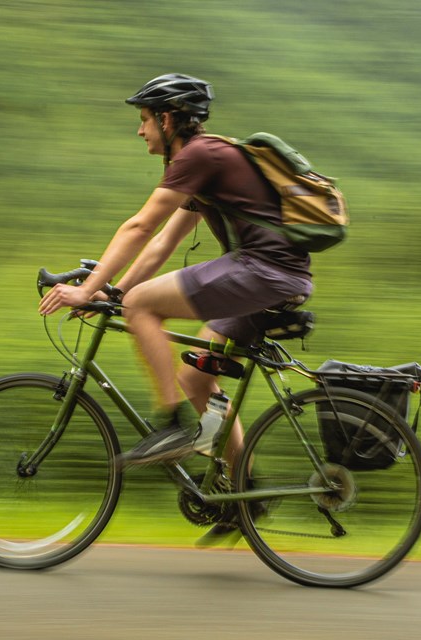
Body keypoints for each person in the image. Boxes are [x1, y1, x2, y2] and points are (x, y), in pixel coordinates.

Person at [39, 73, 313, 542]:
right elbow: (163, 242)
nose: (140, 130)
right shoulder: (208, 163)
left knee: (145, 306)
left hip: (261, 271)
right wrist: (115, 292)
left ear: (168, 119)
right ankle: (246, 493)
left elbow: (140, 226)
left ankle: (171, 428)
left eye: (144, 119)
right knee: (194, 377)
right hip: (269, 276)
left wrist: (91, 291)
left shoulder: (198, 156)